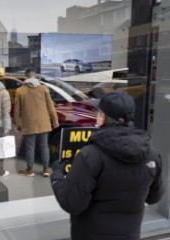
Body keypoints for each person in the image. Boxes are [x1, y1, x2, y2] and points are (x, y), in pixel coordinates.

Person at [50, 91, 164, 240]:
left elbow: (73, 204)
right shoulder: (152, 154)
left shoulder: (89, 155)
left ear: (102, 118)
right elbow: (154, 197)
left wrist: (57, 177)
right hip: (130, 234)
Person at [14, 68, 59, 177]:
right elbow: (50, 106)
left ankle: (30, 170)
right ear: (35, 77)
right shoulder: (43, 88)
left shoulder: (20, 90)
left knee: (30, 147)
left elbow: (16, 110)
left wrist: (17, 123)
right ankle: (46, 169)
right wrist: (55, 120)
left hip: (28, 123)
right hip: (44, 122)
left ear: (26, 77)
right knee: (44, 146)